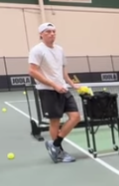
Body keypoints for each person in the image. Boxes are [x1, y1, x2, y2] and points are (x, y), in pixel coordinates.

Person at [28, 22, 80, 164]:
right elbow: (32, 71)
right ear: (41, 34)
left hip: (63, 88)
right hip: (48, 91)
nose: (52, 34)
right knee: (55, 122)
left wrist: (71, 84)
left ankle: (55, 145)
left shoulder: (60, 50)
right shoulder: (37, 50)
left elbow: (62, 71)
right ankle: (59, 152)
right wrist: (53, 85)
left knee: (75, 117)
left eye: (53, 31)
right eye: (48, 31)